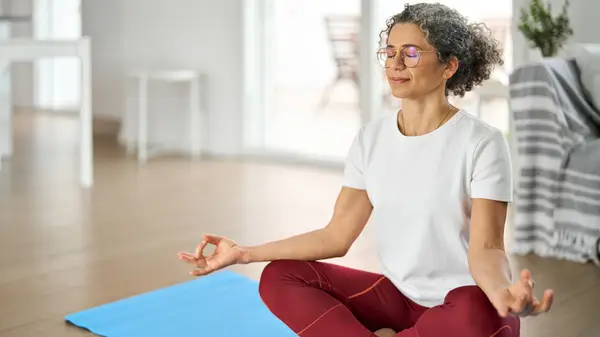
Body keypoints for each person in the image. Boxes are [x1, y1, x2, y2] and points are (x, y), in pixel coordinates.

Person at [178, 3, 554, 336]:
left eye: (410, 52)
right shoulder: (370, 139)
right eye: (389, 52)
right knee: (279, 276)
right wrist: (244, 253)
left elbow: (486, 249)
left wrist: (505, 293)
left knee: (480, 317)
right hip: (398, 298)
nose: (394, 63)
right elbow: (336, 236)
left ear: (449, 66)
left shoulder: (483, 142)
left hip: (464, 304)